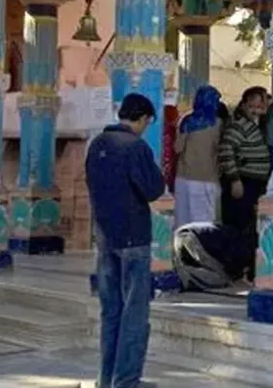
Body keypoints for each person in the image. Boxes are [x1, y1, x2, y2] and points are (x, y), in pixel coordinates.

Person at [85, 93, 166, 388]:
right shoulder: (136, 147)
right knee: (134, 314)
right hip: (134, 238)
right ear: (143, 118)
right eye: (148, 121)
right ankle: (127, 380)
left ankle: (106, 378)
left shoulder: (97, 145)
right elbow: (153, 188)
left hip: (105, 238)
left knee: (111, 312)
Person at [218, 87, 272, 279]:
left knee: (250, 228)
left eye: (261, 106)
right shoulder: (238, 125)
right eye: (253, 106)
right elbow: (226, 151)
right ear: (243, 105)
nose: (257, 110)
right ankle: (234, 269)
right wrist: (235, 180)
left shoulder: (258, 126)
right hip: (243, 183)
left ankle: (246, 268)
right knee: (238, 228)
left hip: (255, 184)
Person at [174, 85, 224, 228]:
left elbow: (178, 148)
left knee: (183, 221)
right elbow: (219, 149)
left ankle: (182, 249)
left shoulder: (186, 121)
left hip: (183, 177)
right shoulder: (218, 123)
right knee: (204, 223)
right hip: (207, 178)